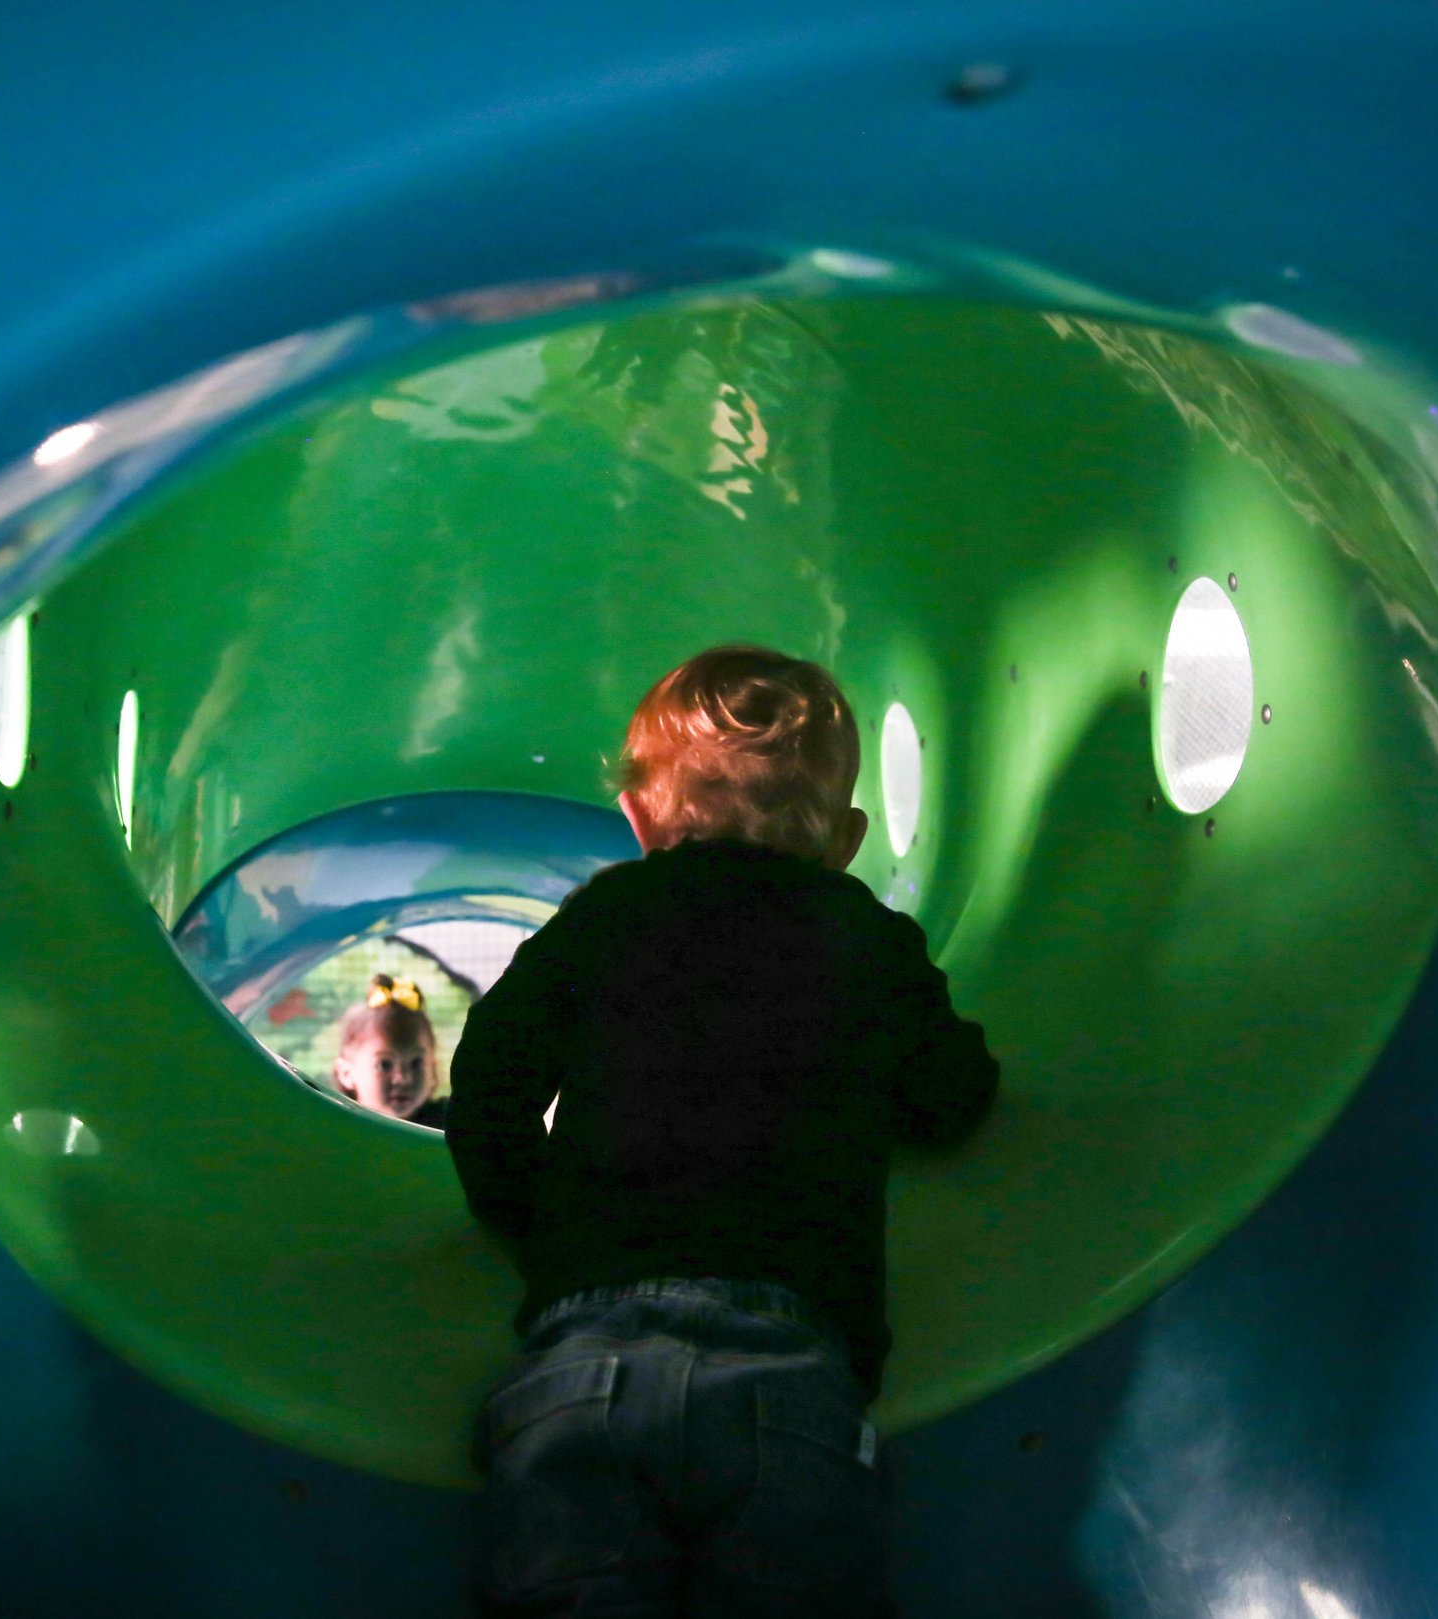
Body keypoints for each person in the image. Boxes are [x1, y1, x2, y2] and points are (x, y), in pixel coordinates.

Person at [447, 645, 1000, 1616]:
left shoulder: (605, 913)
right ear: (848, 836)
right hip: (787, 1378)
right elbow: (952, 1098)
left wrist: (540, 1234)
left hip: (582, 1364)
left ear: (638, 819)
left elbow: (489, 1079)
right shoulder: (860, 930)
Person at [331, 973, 448, 1128]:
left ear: (433, 1069)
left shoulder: (454, 1123)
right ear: (346, 1073)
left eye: (416, 1063)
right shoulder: (336, 1127)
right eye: (385, 1064)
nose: (403, 1078)